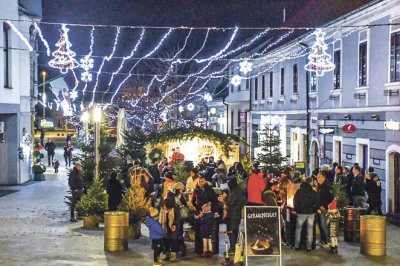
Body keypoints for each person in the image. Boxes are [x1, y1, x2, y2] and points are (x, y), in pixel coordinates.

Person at [191, 175, 219, 255]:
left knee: (208, 233)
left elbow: (214, 201)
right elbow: (192, 201)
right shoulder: (196, 190)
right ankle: (199, 249)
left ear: (205, 181)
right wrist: (197, 209)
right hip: (199, 213)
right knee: (199, 232)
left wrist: (212, 210)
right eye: (199, 181)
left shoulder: (210, 190)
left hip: (208, 214)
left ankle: (209, 250)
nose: (200, 183)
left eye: (202, 181)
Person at [293, 178, 320, 251]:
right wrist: (314, 210)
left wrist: (297, 210)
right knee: (310, 230)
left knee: (298, 229)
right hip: (311, 213)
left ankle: (297, 246)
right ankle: (309, 247)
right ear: (310, 183)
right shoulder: (313, 192)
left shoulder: (299, 191)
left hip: (301, 213)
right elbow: (317, 203)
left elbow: (295, 202)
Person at [225, 179, 246, 253]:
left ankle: (232, 248)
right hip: (238, 214)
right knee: (235, 231)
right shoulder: (240, 191)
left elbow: (230, 203)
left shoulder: (234, 193)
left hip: (232, 215)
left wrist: (225, 199)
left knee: (231, 232)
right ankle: (235, 248)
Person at [159, 198, 181, 262]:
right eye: (166, 206)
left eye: (168, 207)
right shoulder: (161, 208)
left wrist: (175, 225)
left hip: (173, 226)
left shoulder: (175, 208)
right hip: (164, 226)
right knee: (166, 240)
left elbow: (178, 218)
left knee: (174, 240)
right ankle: (167, 254)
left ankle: (173, 255)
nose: (167, 208)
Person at [317, 171, 334, 246]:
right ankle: (323, 240)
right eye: (317, 177)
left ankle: (327, 241)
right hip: (319, 208)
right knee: (321, 225)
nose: (318, 179)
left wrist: (324, 206)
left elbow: (330, 198)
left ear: (324, 178)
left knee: (324, 226)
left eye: (320, 177)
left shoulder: (327, 186)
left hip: (325, 209)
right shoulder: (319, 186)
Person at [174, 182, 188, 257]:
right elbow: (185, 205)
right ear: (179, 190)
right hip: (180, 217)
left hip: (174, 216)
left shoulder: (172, 196)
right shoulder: (181, 197)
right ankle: (181, 246)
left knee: (175, 232)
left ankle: (175, 247)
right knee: (180, 231)